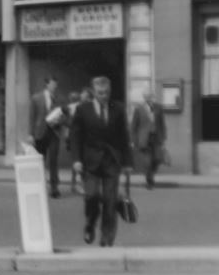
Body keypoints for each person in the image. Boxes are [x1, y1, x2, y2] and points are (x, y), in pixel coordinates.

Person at [70, 76, 134, 247]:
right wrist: (76, 160)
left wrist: (128, 163)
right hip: (89, 162)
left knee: (110, 200)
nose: (103, 96)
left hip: (111, 161)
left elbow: (124, 137)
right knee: (91, 196)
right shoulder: (83, 110)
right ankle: (90, 223)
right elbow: (75, 136)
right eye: (100, 93)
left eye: (106, 93)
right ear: (93, 92)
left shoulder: (118, 109)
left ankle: (107, 237)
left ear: (110, 92)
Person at [29, 77, 65, 198]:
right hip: (40, 133)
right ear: (47, 84)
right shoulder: (36, 98)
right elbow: (32, 117)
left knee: (53, 161)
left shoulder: (59, 99)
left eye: (56, 84)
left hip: (54, 133)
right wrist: (31, 134)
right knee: (40, 161)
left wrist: (59, 120)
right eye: (53, 84)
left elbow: (64, 115)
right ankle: (39, 186)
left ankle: (54, 188)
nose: (55, 86)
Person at [131, 86, 167, 189]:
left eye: (150, 96)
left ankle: (151, 175)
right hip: (144, 138)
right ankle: (149, 181)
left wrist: (163, 138)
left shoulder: (158, 107)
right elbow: (134, 126)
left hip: (156, 137)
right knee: (147, 161)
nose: (149, 98)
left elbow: (162, 124)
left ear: (153, 96)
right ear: (144, 97)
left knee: (156, 160)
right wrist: (133, 140)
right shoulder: (138, 109)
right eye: (147, 96)